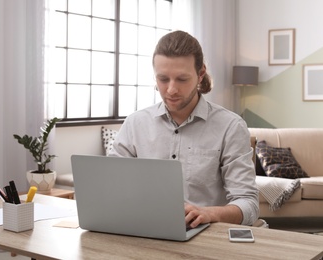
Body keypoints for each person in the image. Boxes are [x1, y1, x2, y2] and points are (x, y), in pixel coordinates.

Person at [108, 30, 259, 228]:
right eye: (163, 79)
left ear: (200, 74)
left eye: (181, 79)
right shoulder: (135, 123)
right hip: (145, 229)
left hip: (206, 235)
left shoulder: (230, 126)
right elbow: (111, 186)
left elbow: (249, 204)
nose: (171, 90)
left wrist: (208, 213)